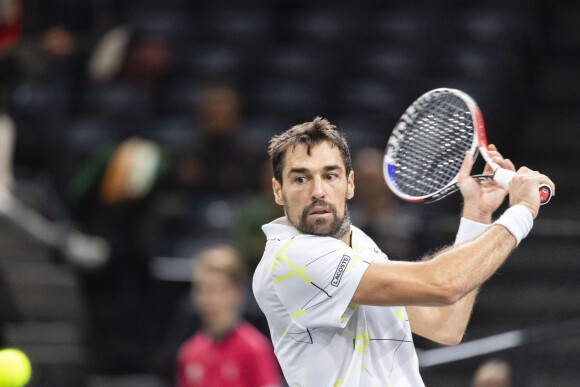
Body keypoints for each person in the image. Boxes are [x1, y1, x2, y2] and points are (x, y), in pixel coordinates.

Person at [252, 117, 554, 386]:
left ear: (350, 184)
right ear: (278, 190)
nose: (318, 190)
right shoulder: (292, 258)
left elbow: (445, 325)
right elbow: (444, 284)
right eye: (300, 178)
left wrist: (477, 213)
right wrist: (522, 212)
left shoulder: (358, 244)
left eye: (330, 175)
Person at [176, 245, 281, 387]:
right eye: (202, 289)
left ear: (238, 293)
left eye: (217, 289)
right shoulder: (188, 353)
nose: (208, 299)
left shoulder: (256, 349)